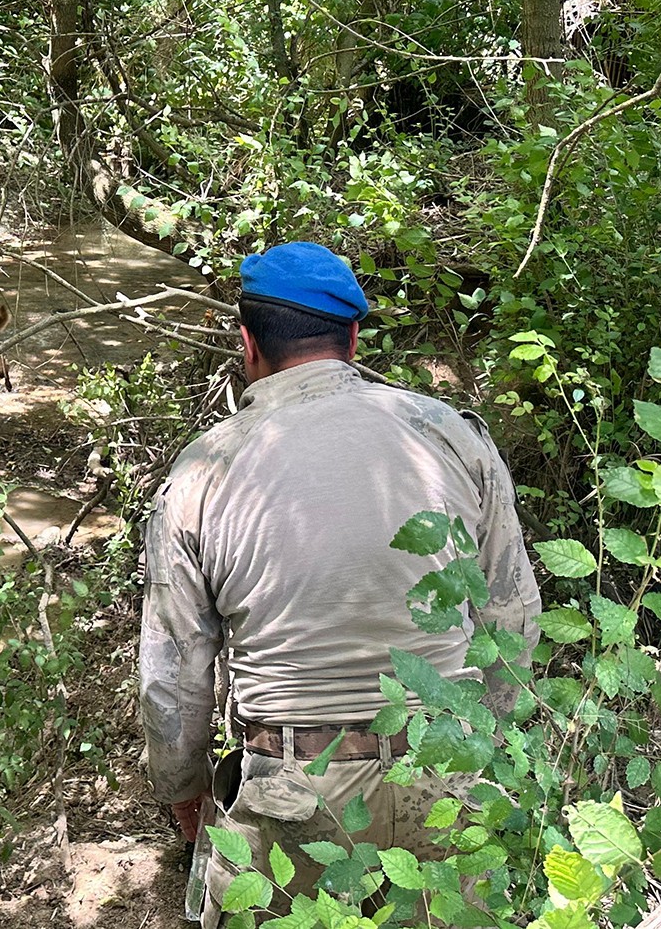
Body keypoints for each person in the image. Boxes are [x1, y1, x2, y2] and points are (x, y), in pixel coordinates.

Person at [139, 242, 540, 925]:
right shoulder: (450, 436)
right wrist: (484, 755)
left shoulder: (202, 472)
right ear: (353, 337)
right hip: (442, 778)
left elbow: (173, 682)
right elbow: (513, 620)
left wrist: (185, 792)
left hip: (290, 798)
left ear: (247, 342)